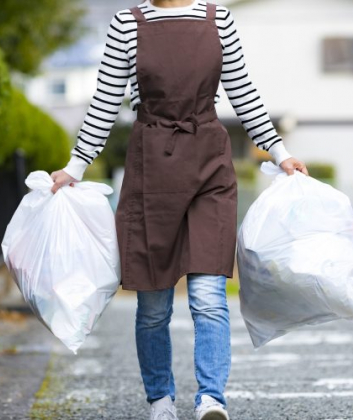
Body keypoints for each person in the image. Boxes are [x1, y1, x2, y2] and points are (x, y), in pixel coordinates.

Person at [50, 1, 309, 419]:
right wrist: (75, 166)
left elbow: (243, 92)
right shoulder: (126, 23)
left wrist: (280, 153)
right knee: (154, 304)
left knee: (208, 294)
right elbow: (104, 101)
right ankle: (160, 400)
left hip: (209, 165)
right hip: (151, 167)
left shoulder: (217, 18)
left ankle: (211, 399)